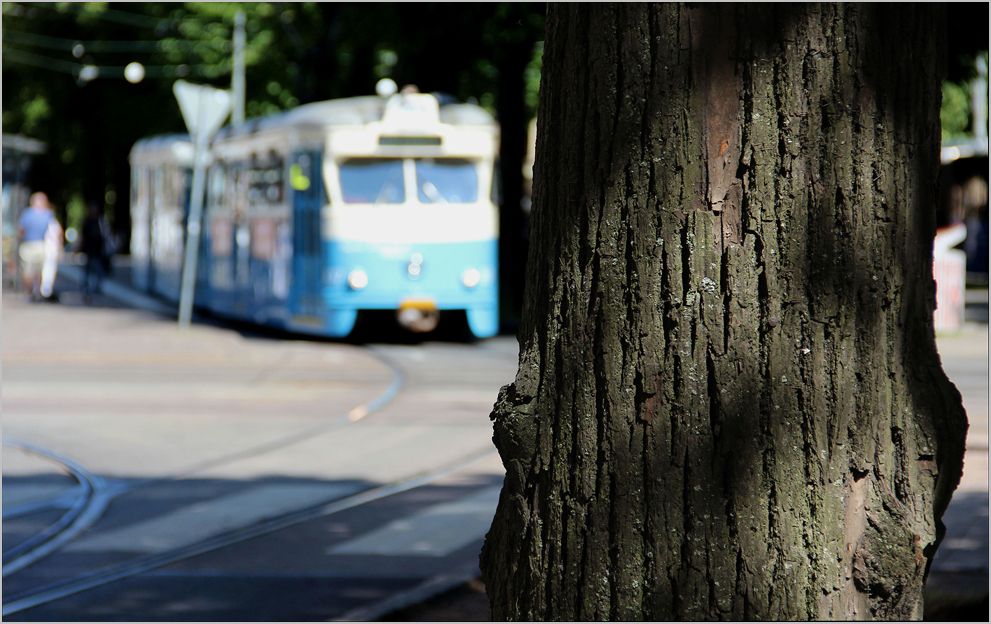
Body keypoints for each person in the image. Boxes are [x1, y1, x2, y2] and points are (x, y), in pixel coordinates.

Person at [17, 192, 56, 301]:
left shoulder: (47, 214)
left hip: (40, 245)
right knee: (29, 271)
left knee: (37, 271)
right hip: (30, 245)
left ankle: (34, 291)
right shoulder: (31, 214)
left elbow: (20, 231)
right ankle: (31, 291)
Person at [79, 201, 110, 303]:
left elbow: (105, 235)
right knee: (89, 270)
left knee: (97, 269)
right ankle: (87, 287)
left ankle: (95, 287)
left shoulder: (100, 221)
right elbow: (82, 236)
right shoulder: (87, 221)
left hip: (97, 250)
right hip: (89, 250)